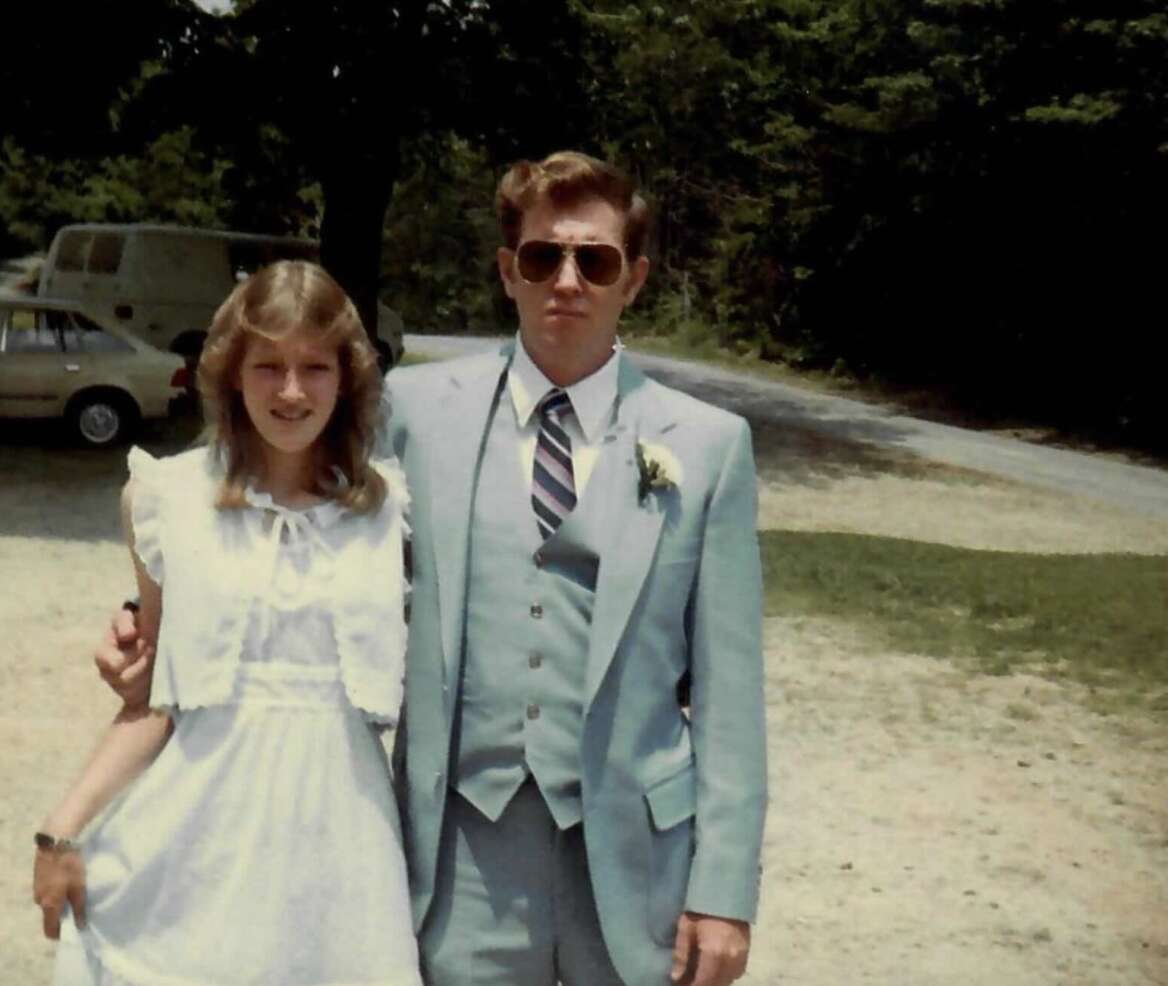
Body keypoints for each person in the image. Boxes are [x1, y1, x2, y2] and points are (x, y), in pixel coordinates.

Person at [99, 151, 767, 986]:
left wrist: (725, 890)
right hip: (462, 853)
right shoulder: (413, 414)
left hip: (638, 857)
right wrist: (149, 608)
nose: (567, 280)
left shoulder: (705, 446)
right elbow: (286, 501)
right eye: (541, 257)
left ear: (632, 279)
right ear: (506, 271)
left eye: (593, 261)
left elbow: (731, 695)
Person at [36, 260, 422, 986]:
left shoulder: (390, 511)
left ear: (347, 381)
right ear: (231, 374)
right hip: (197, 841)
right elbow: (150, 698)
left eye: (315, 366)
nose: (292, 390)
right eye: (268, 365)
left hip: (341, 850)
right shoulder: (165, 499)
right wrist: (61, 828)